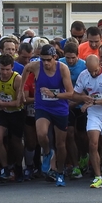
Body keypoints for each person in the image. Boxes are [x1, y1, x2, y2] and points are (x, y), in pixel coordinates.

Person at [21, 45, 75, 183]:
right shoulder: (36, 66)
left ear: (54, 58)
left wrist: (54, 94)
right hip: (43, 107)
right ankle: (46, 152)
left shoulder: (62, 69)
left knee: (60, 144)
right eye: (43, 60)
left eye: (48, 60)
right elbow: (26, 69)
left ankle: (60, 171)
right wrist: (21, 89)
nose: (45, 63)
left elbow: (70, 93)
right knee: (41, 133)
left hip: (59, 109)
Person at [72, 54, 102, 188]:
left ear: (100, 64)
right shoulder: (83, 75)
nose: (93, 73)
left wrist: (93, 101)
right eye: (90, 71)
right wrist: (84, 98)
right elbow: (75, 94)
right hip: (93, 113)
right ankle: (98, 177)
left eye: (95, 70)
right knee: (93, 144)